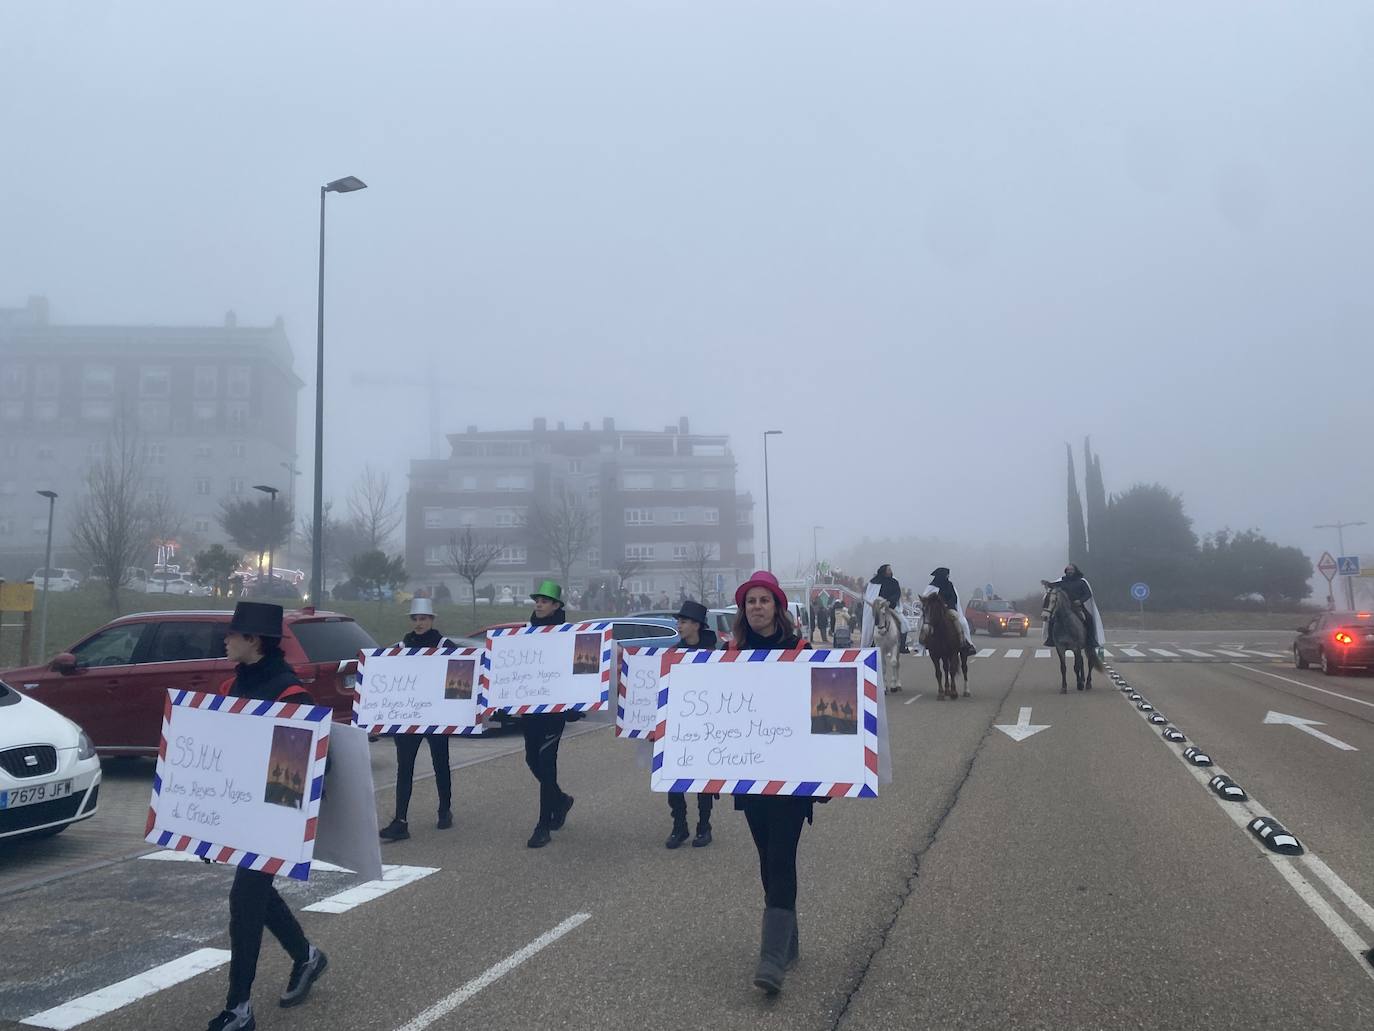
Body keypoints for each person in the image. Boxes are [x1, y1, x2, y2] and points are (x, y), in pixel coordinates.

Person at [206, 602, 328, 1031]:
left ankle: (239, 1007)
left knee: (244, 898)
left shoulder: (290, 695)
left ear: (253, 640)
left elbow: (299, 773)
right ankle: (307, 956)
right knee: (256, 896)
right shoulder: (227, 689)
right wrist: (208, 824)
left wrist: (272, 826)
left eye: (232, 634)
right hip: (240, 813)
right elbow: (218, 760)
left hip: (273, 818)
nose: (225, 639)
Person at [727, 571, 813, 996]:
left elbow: (827, 708)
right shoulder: (729, 655)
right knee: (767, 860)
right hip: (749, 776)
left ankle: (772, 959)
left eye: (764, 600)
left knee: (780, 858)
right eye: (750, 602)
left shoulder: (801, 651)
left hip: (793, 780)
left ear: (777, 607)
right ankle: (788, 941)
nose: (757, 607)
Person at [379, 597, 457, 842]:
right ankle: (400, 820)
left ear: (432, 619)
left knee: (440, 763)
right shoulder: (400, 647)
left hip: (436, 714)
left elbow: (461, 671)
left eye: (423, 618)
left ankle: (445, 810)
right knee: (405, 768)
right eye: (415, 618)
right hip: (408, 715)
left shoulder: (446, 645)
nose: (419, 622)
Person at [523, 580, 577, 849]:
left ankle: (543, 825)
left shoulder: (568, 634)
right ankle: (561, 800)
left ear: (556, 605)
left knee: (546, 762)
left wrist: (577, 702)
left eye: (545, 601)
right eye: (538, 601)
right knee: (531, 760)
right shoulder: (524, 633)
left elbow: (579, 667)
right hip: (530, 710)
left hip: (554, 711)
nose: (539, 604)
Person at [665, 599, 720, 849]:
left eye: (683, 621)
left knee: (702, 780)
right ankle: (679, 826)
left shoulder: (716, 656)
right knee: (672, 778)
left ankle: (704, 826)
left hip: (705, 726)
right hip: (677, 726)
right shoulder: (672, 655)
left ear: (696, 625)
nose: (679, 624)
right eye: (679, 620)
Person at [1044, 563, 1106, 653]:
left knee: (1089, 618)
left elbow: (1088, 594)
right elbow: (1053, 586)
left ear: (1075, 571)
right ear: (1066, 571)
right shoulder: (1062, 582)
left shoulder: (1081, 582)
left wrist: (1080, 601)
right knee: (1052, 620)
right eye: (1068, 570)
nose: (1070, 571)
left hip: (1077, 607)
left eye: (1071, 569)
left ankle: (1091, 640)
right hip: (1064, 607)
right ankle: (1051, 639)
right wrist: (1047, 583)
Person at [862, 563, 911, 653]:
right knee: (872, 623)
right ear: (884, 572)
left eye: (890, 570)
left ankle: (902, 646)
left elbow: (897, 593)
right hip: (878, 607)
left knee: (904, 624)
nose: (890, 571)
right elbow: (871, 596)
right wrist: (879, 603)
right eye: (888, 570)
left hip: (891, 607)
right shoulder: (874, 582)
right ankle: (870, 643)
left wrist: (889, 601)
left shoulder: (894, 582)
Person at [929, 567, 977, 657]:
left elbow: (953, 597)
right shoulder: (932, 587)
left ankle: (967, 643)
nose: (948, 577)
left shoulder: (950, 585)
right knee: (925, 623)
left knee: (962, 622)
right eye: (947, 575)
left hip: (949, 610)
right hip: (936, 611)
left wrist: (947, 605)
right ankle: (922, 643)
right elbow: (928, 599)